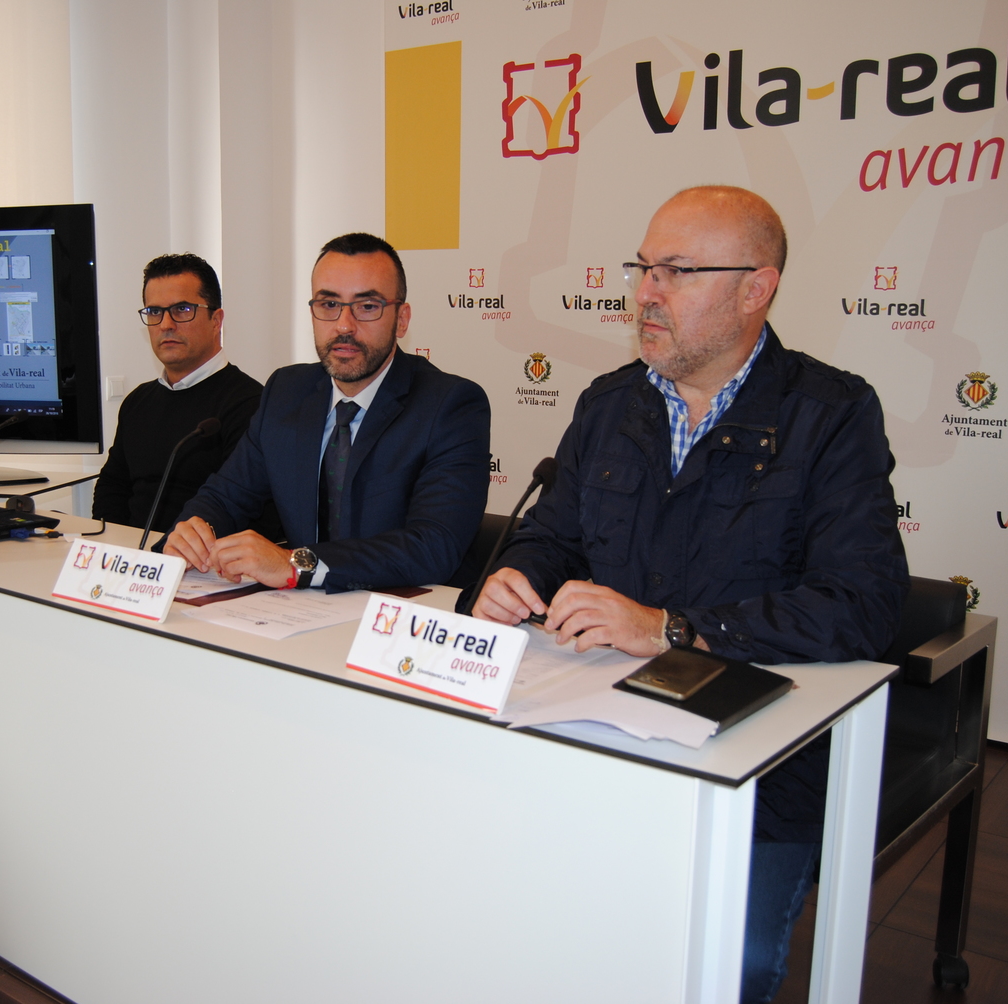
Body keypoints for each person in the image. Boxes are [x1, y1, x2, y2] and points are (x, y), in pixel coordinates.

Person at [472, 186, 908, 1003]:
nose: (645, 292)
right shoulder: (610, 402)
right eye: (644, 268)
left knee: (719, 971)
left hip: (761, 768)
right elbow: (552, 535)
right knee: (520, 926)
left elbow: (863, 602)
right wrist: (517, 575)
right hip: (595, 734)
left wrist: (674, 629)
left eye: (676, 271)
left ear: (755, 289)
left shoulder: (831, 414)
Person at [163, 233, 490, 593]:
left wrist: (297, 564)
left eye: (367, 306)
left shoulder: (450, 405)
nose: (344, 325)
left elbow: (433, 546)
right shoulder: (286, 391)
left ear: (401, 319)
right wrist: (193, 532)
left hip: (406, 609)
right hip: (306, 611)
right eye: (329, 304)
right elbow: (227, 496)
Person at [93, 253, 278, 538]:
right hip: (132, 555)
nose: (165, 324)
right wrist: (114, 545)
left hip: (201, 559)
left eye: (181, 309)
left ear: (216, 320)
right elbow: (112, 488)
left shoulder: (251, 405)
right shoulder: (137, 402)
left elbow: (246, 511)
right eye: (154, 311)